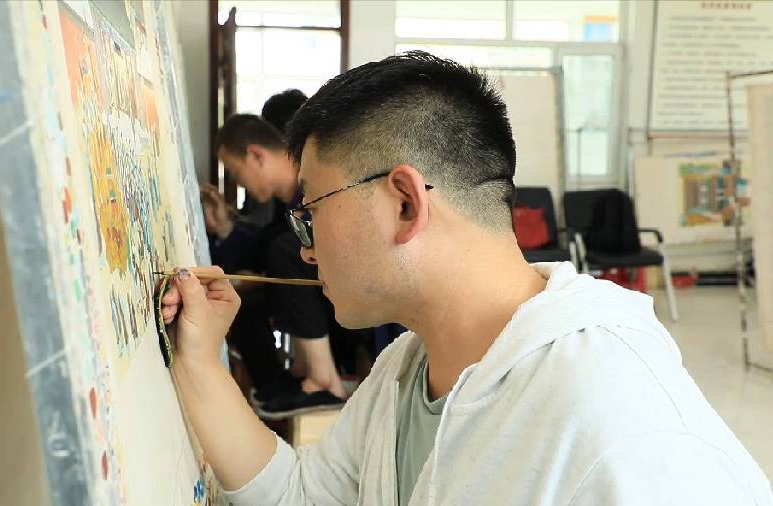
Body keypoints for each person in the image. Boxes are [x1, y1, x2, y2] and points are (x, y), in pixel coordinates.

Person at [161, 52, 773, 505]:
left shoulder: (626, 428)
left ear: (406, 203)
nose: (307, 250)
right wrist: (199, 359)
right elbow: (302, 496)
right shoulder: (404, 368)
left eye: (312, 213)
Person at [204, 96, 366, 417]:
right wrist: (224, 228)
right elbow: (260, 249)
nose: (239, 184)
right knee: (245, 301)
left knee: (286, 250)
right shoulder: (286, 204)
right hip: (335, 296)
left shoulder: (319, 179)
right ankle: (291, 377)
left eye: (236, 172)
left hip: (359, 300)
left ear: (256, 155)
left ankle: (324, 381)